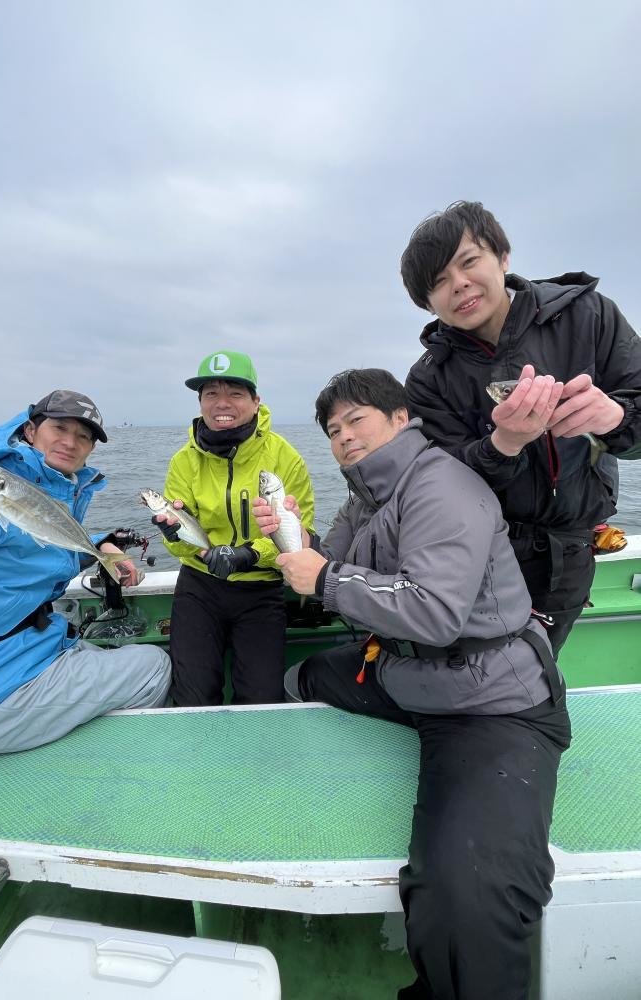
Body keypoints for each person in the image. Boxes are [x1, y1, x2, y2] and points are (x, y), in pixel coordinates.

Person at [253, 368, 571, 1000]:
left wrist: (324, 578)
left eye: (356, 420)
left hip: (489, 701)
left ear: (401, 419)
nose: (344, 437)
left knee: (464, 898)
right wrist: (295, 541)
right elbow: (334, 564)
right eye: (333, 430)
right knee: (306, 675)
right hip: (402, 673)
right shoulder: (366, 495)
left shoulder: (441, 487)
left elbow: (433, 611)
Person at [400, 200, 641, 654]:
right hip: (477, 553)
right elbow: (440, 482)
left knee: (536, 667)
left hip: (567, 550)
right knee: (474, 666)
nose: (459, 284)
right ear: (426, 303)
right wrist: (502, 445)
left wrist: (616, 418)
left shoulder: (588, 316)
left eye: (469, 262)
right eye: (438, 282)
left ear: (503, 257)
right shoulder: (428, 379)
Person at [0, 389, 171, 754]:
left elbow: (34, 546)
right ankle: (95, 763)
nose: (70, 442)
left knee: (113, 657)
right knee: (154, 665)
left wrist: (101, 543)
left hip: (24, 657)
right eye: (59, 428)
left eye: (83, 436)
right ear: (30, 430)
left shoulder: (56, 488)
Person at [154, 350, 315, 706]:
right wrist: (175, 537)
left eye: (235, 393)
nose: (222, 403)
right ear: (200, 403)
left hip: (261, 589)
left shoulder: (285, 458)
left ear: (256, 402)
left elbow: (299, 532)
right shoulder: (183, 462)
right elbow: (182, 538)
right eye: (211, 393)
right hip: (199, 586)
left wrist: (250, 554)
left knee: (262, 700)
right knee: (192, 697)